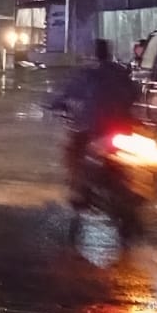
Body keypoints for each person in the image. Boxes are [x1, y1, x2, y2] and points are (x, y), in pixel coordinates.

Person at [57, 39, 137, 196]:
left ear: (92, 54)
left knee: (73, 151)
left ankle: (79, 189)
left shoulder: (87, 74)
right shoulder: (119, 71)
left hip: (94, 126)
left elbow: (67, 94)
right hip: (122, 126)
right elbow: (135, 93)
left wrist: (58, 105)